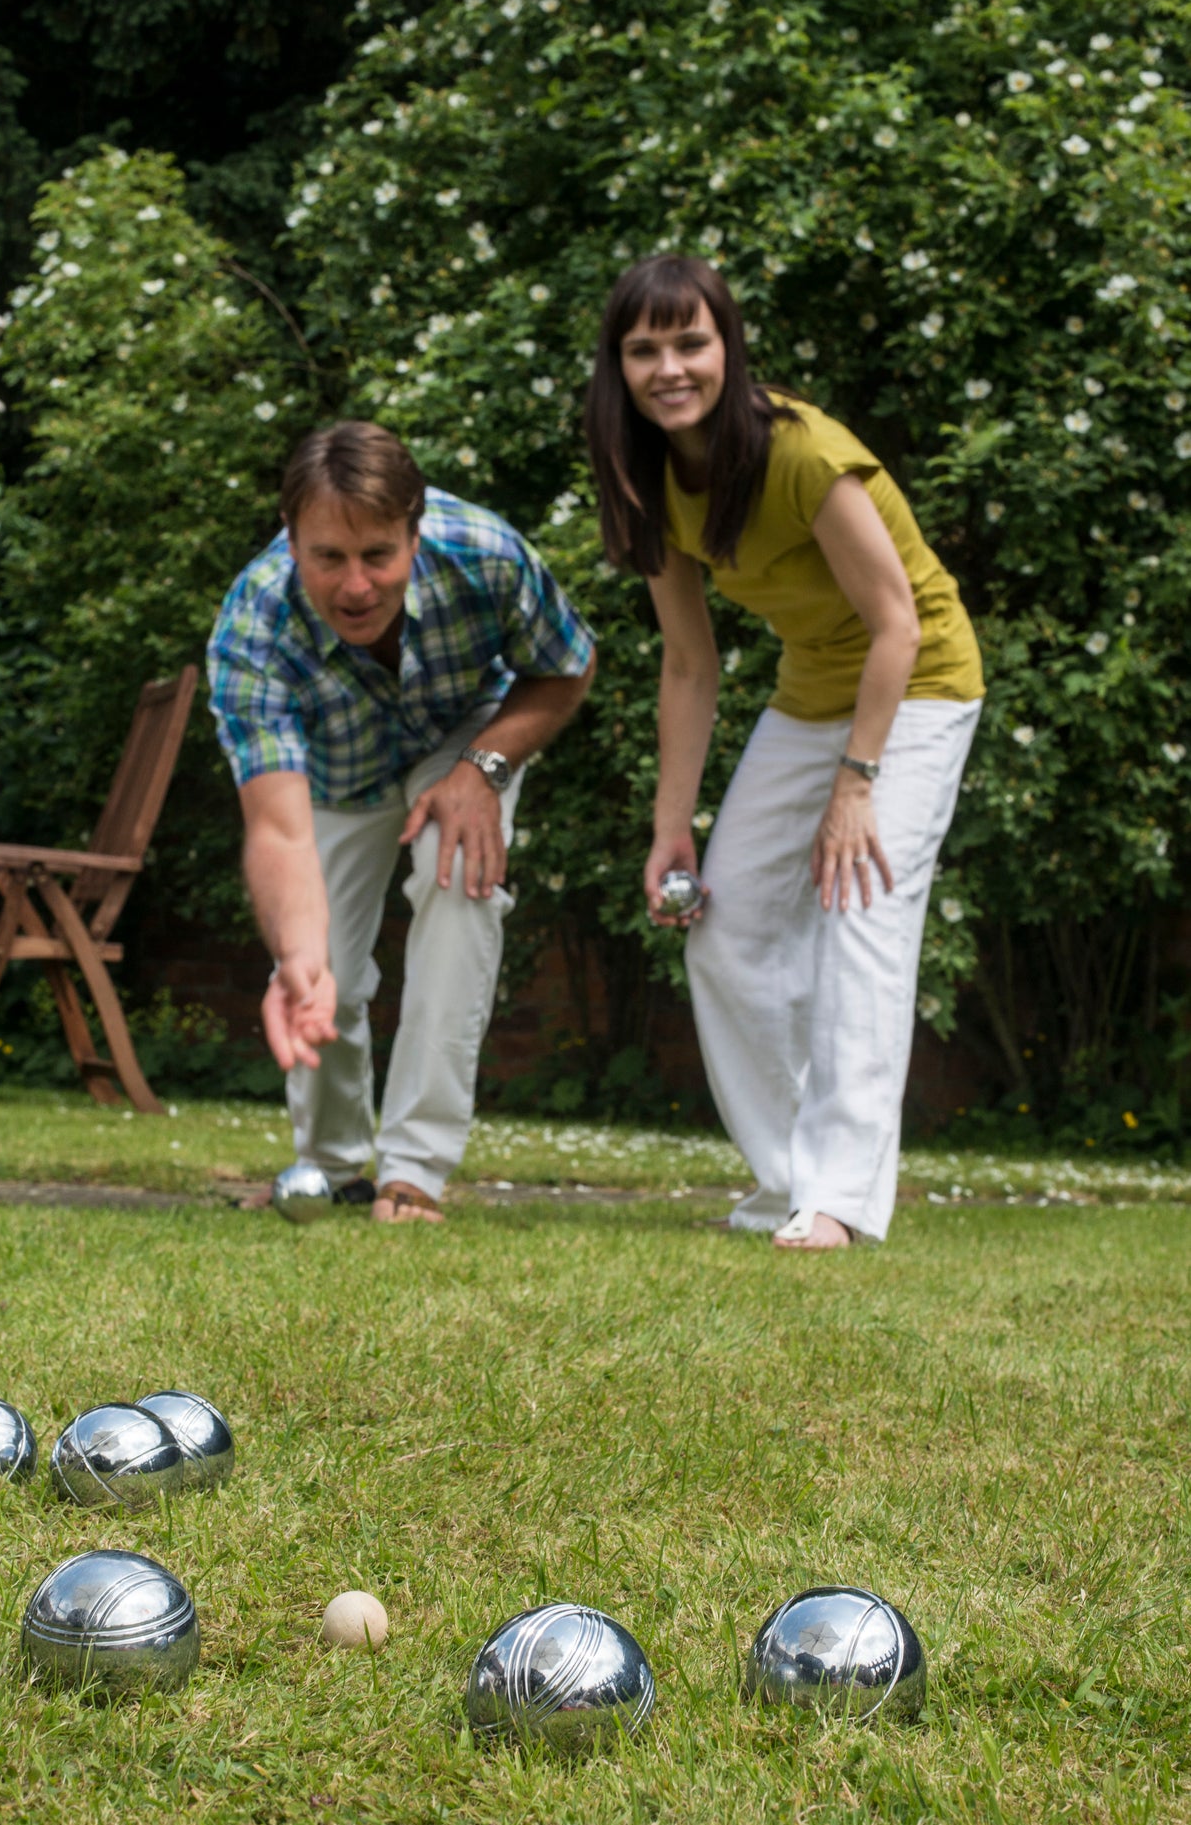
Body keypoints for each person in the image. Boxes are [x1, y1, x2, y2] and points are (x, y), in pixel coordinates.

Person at [585, 256, 984, 1248]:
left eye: (689, 342)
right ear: (618, 366)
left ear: (727, 346)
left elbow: (894, 623)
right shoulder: (646, 474)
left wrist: (856, 787)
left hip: (919, 685)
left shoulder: (802, 453)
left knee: (859, 912)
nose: (668, 367)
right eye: (644, 349)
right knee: (721, 928)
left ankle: (839, 1200)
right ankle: (788, 1178)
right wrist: (669, 827)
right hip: (811, 691)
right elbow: (688, 663)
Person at [208, 421, 596, 1222]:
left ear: (415, 533)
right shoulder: (253, 627)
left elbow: (565, 668)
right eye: (327, 558)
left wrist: (482, 770)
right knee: (323, 970)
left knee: (458, 882)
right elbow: (279, 831)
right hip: (335, 777)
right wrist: (299, 953)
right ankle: (333, 1165)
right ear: (291, 539)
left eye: (377, 555)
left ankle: (413, 1173)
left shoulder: (485, 554)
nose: (355, 587)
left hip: (464, 737)